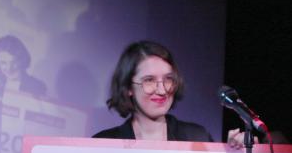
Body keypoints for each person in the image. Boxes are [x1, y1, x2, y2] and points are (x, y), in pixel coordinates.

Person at [93, 40, 249, 145]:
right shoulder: (104, 144)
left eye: (168, 79)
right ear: (128, 88)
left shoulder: (196, 138)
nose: (162, 91)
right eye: (149, 80)